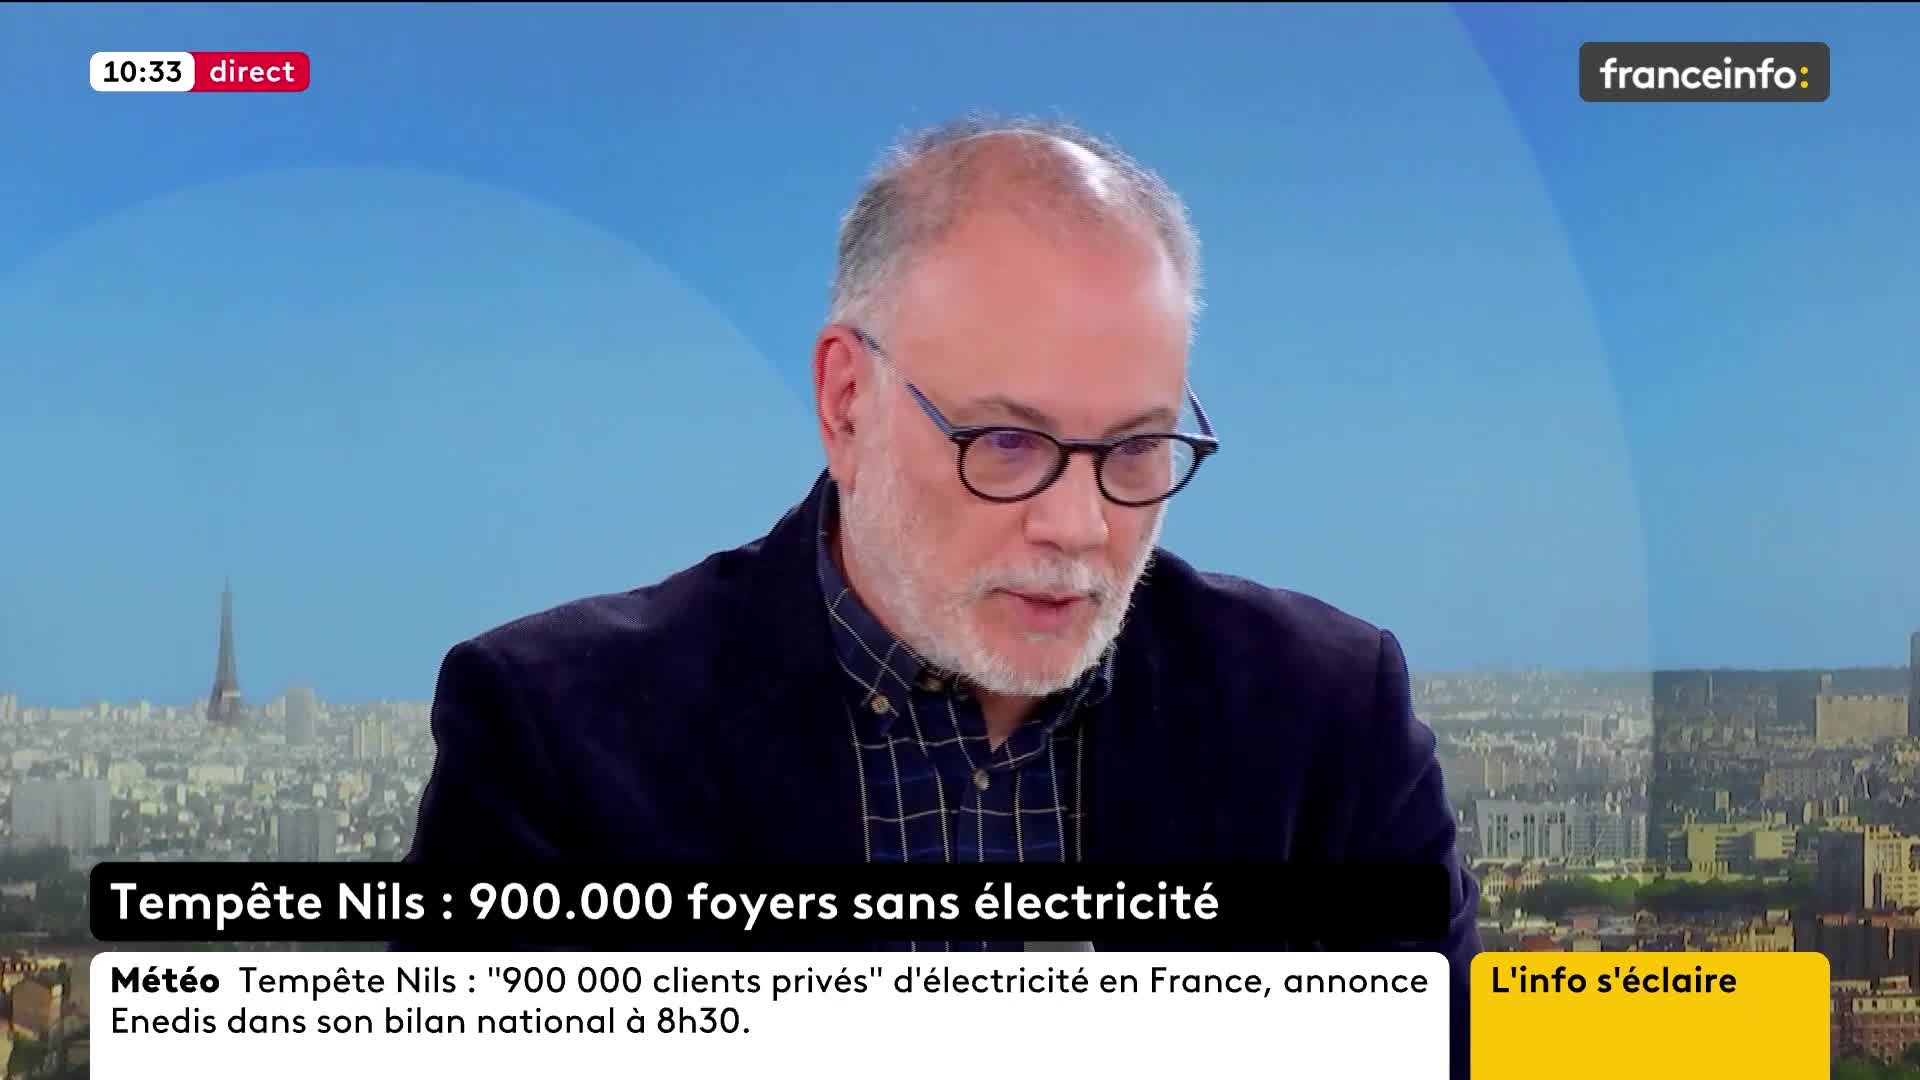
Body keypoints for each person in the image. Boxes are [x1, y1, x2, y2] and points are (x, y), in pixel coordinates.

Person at [407, 115, 1480, 1075]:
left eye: (1136, 449)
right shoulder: (556, 739)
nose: (1080, 525)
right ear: (846, 402)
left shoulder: (1326, 718)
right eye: (1007, 443)